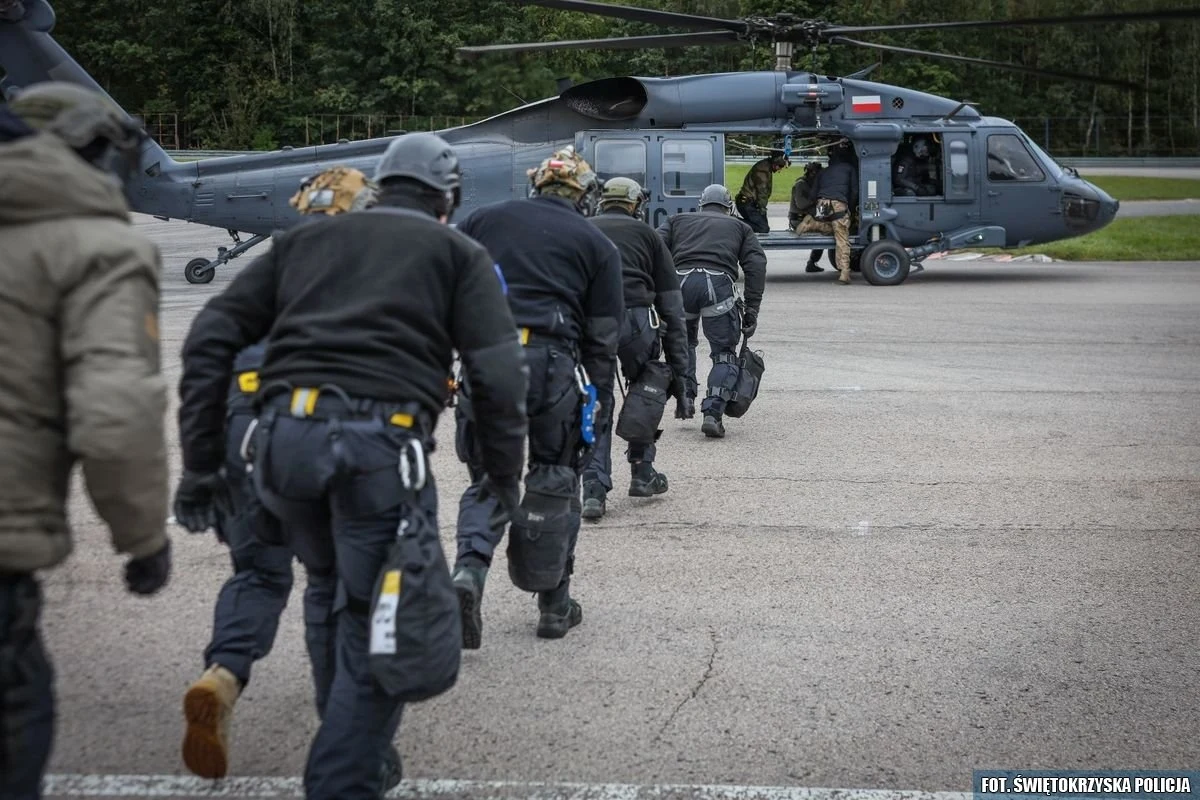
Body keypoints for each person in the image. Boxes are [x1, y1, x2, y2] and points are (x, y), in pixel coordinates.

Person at [174, 132, 528, 800]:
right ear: (446, 198)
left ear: (384, 184)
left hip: (283, 450)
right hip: (375, 450)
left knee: (325, 588)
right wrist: (501, 473)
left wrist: (199, 464)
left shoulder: (302, 243)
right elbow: (497, 374)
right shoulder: (457, 252)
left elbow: (210, 339)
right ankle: (344, 774)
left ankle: (349, 742)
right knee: (383, 625)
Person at [174, 167, 398, 785]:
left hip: (242, 437)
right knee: (335, 590)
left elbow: (202, 360)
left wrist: (197, 469)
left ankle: (224, 671)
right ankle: (347, 732)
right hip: (324, 444)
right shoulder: (376, 282)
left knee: (258, 572)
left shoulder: (263, 276)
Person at [0, 81, 172, 800]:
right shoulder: (96, 247)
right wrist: (143, 538)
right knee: (16, 709)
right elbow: (114, 411)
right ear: (96, 152)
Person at [450, 146, 623, 648]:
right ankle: (553, 605)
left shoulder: (481, 221)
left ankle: (468, 575)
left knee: (490, 479)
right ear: (580, 194)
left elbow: (448, 290)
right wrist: (595, 400)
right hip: (550, 364)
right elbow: (603, 334)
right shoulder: (595, 242)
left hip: (486, 361)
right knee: (554, 478)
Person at [579, 177, 690, 521]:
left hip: (592, 320)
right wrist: (681, 379)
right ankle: (642, 473)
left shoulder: (582, 230)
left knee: (596, 400)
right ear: (635, 204)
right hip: (638, 321)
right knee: (646, 390)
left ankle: (594, 489)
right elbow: (672, 305)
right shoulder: (648, 236)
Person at [656, 184, 767, 439]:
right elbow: (756, 266)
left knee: (683, 346)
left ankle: (686, 399)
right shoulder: (740, 227)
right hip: (717, 287)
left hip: (680, 286)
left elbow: (653, 250)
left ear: (701, 204)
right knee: (724, 355)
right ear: (729, 208)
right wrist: (752, 310)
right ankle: (713, 414)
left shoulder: (676, 220)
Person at [799, 141, 859, 285]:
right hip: (839, 205)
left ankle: (811, 224)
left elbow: (813, 196)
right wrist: (848, 208)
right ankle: (844, 273)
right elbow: (855, 191)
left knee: (827, 226)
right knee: (842, 238)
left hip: (823, 204)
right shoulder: (849, 169)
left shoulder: (823, 172)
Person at [735, 150, 789, 233]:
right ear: (775, 163)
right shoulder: (763, 170)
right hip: (747, 203)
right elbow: (762, 192)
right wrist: (762, 210)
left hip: (749, 203)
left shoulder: (766, 166)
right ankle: (732, 220)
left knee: (762, 227)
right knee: (763, 229)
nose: (779, 170)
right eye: (780, 166)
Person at [787, 161, 827, 273]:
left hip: (807, 218)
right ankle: (812, 262)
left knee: (826, 226)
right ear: (812, 173)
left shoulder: (811, 184)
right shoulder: (801, 184)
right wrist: (815, 200)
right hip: (799, 220)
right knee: (825, 231)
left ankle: (813, 262)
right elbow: (801, 204)